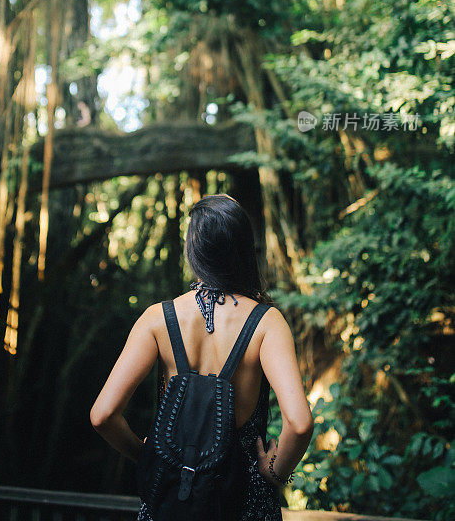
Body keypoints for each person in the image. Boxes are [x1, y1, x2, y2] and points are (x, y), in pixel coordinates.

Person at [90, 193, 314, 519]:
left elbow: (103, 415)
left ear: (193, 250)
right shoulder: (267, 323)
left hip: (171, 499)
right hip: (242, 501)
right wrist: (275, 472)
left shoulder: (156, 319)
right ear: (241, 249)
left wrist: (151, 454)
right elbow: (299, 423)